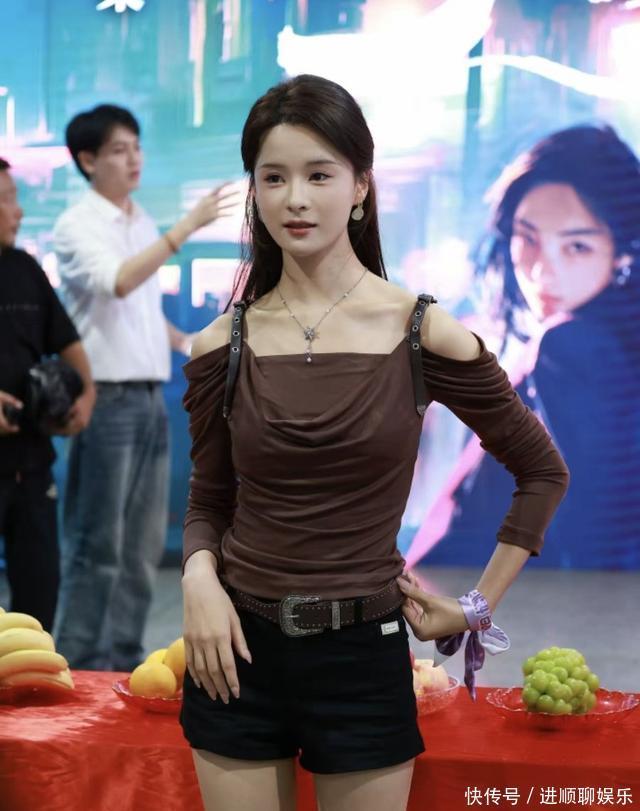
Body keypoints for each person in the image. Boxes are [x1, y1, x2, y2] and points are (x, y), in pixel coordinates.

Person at [179, 75, 569, 811]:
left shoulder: (420, 331)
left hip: (363, 653)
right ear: (255, 192)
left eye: (319, 175)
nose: (296, 198)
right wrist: (198, 576)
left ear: (360, 185)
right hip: (235, 650)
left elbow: (541, 470)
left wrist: (476, 606)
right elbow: (210, 497)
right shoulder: (220, 345)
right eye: (274, 177)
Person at [52, 104, 237, 670]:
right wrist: (186, 227)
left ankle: (124, 660)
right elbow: (118, 281)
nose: (134, 159)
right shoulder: (76, 225)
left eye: (136, 146)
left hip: (150, 397)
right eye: (119, 150)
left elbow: (142, 313)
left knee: (140, 547)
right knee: (98, 545)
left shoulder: (138, 220)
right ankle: (80, 663)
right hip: (104, 399)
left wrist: (190, 342)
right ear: (88, 160)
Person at [413, 125, 640, 571]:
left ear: (622, 254)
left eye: (577, 246)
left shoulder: (573, 347)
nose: (540, 272)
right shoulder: (600, 344)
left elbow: (593, 539)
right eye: (528, 237)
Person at [0, 157, 95, 631]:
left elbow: (67, 341)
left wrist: (87, 394)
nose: (18, 211)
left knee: (39, 595)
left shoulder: (24, 268)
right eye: (7, 199)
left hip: (31, 464)